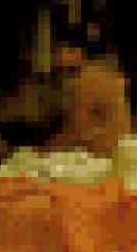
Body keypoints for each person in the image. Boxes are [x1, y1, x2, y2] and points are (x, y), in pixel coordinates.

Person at [47, 29, 129, 157]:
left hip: (103, 153)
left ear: (80, 53)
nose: (59, 57)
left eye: (67, 50)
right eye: (56, 51)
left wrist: (46, 153)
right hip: (116, 148)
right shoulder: (99, 73)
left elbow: (79, 130)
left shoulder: (87, 80)